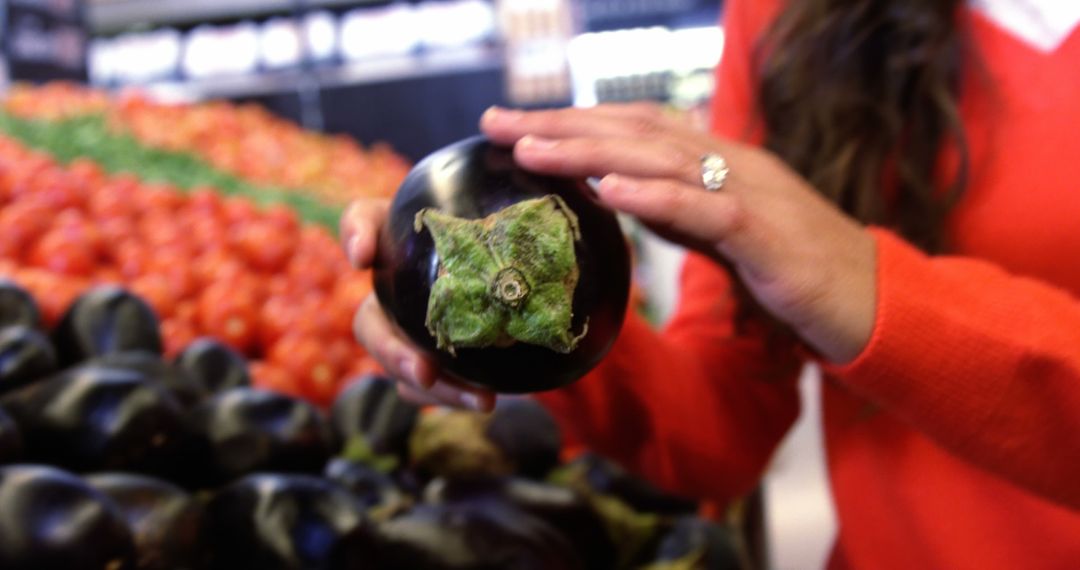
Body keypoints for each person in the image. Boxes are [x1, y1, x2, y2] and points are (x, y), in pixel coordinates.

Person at [340, 0, 1080, 567]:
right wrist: (518, 338)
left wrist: (871, 288)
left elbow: (847, 280)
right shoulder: (798, 20)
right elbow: (721, 433)